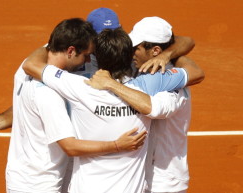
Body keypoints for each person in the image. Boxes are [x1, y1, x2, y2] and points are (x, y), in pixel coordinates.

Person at [22, 23, 204, 192]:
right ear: (129, 57)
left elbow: (31, 64)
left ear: (96, 59)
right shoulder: (151, 84)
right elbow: (195, 71)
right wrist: (168, 54)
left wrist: (53, 44)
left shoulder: (78, 86)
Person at [5, 18, 149, 193]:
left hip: (22, 176)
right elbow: (70, 146)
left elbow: (24, 98)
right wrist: (117, 145)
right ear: (71, 50)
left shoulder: (23, 69)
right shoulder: (51, 94)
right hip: (40, 184)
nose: (89, 60)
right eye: (86, 55)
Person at [86, 16, 205, 193]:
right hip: (143, 175)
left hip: (163, 181)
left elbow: (153, 108)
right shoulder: (147, 67)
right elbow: (185, 40)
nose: (130, 52)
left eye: (136, 48)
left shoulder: (172, 84)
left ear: (155, 50)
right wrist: (168, 53)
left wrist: (111, 84)